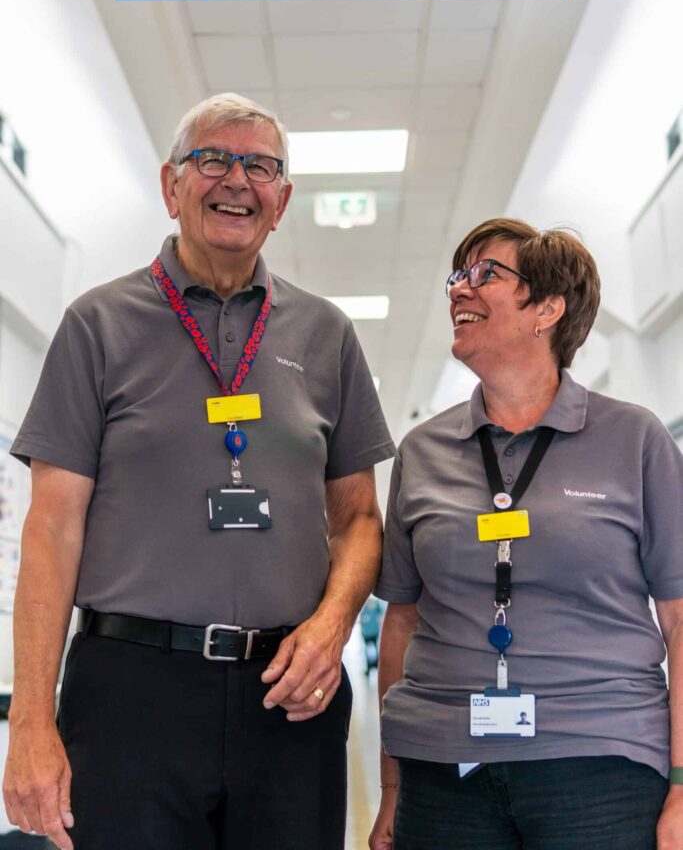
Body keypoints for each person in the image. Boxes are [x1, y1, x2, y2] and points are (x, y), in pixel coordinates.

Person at [2, 93, 395, 850]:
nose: (236, 180)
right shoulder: (98, 325)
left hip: (288, 691)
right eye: (213, 158)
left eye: (261, 166)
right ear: (170, 185)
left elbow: (357, 521)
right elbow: (51, 527)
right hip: (130, 689)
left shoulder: (326, 335)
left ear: (282, 201)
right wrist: (31, 719)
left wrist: (331, 626)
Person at [369, 218, 683, 850]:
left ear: (548, 308)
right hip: (444, 771)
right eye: (458, 276)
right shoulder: (423, 450)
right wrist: (394, 793)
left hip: (600, 764)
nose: (460, 290)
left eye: (487, 274)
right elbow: (402, 621)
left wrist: (682, 785)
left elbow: (679, 621)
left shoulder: (634, 439)